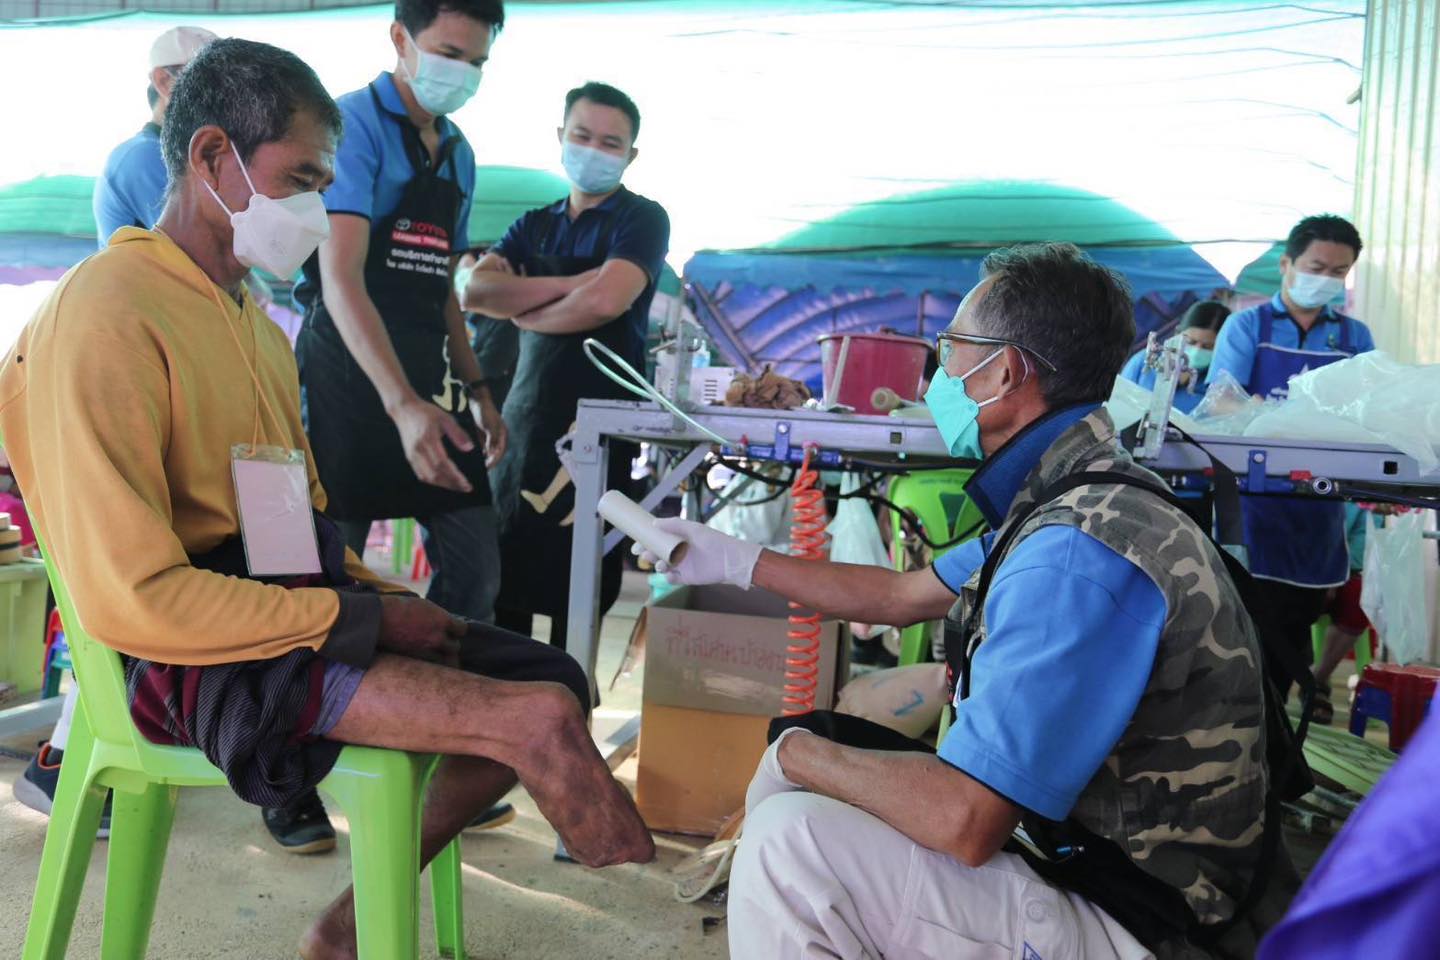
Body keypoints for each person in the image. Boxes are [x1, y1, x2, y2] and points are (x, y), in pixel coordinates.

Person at [0, 38, 652, 960]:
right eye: (300, 180)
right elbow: (133, 599)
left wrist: (377, 599)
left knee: (553, 679)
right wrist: (359, 621)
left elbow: (294, 526)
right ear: (214, 156)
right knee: (533, 720)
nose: (315, 208)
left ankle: (343, 930)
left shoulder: (255, 326)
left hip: (281, 607)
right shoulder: (106, 309)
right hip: (179, 652)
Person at [640, 243, 1297, 959]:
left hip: (1148, 923)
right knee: (838, 791)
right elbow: (901, 595)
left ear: (1004, 371)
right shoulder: (1082, 494)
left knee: (790, 844)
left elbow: (968, 818)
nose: (939, 372)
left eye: (951, 348)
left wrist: (797, 755)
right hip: (1104, 869)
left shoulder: (1074, 552)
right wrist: (737, 560)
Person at [15, 21, 219, 842]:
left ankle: (75, 760)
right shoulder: (147, 160)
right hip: (134, 383)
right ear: (167, 83)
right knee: (131, 592)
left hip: (152, 378)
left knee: (135, 594)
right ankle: (66, 764)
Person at [294, 0, 507, 627]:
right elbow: (341, 278)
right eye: (448, 53)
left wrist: (479, 392)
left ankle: (443, 676)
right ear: (400, 38)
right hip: (348, 375)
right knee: (334, 573)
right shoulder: (350, 126)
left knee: (476, 569)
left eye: (477, 62)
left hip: (429, 375)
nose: (462, 73)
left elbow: (443, 288)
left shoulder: (459, 152)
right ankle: (343, 682)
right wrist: (401, 404)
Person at [458, 81, 669, 649]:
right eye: (582, 135)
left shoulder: (643, 219)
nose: (593, 150)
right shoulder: (534, 223)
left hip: (601, 418)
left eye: (610, 142)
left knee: (581, 578)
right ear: (561, 136)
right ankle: (506, 691)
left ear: (630, 154)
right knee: (508, 568)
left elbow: (607, 302)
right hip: (526, 415)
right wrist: (576, 284)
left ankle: (570, 688)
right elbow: (476, 291)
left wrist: (524, 308)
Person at [1207, 215, 1376, 696]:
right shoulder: (1248, 326)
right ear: (1286, 264)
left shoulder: (1354, 338)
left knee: (1294, 633)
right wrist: (1273, 414)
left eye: (1338, 272)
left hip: (1319, 513)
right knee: (1242, 635)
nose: (1325, 280)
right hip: (1252, 505)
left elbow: (1368, 410)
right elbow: (1220, 401)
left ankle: (1281, 730)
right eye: (1316, 268)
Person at [93, 25, 218, 244]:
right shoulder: (144, 156)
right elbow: (201, 245)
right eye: (209, 79)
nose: (224, 92)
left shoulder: (186, 152)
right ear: (164, 81)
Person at [1310, 502, 1372, 724]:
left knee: (1360, 602)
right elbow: (1330, 532)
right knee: (1302, 601)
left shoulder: (1375, 499)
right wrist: (1330, 576)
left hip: (1351, 570)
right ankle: (1309, 681)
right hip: (1316, 564)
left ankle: (1317, 680)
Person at [1119, 299, 1231, 413]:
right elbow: (1117, 400)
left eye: (1208, 346)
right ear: (1177, 332)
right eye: (1191, 342)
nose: (1197, 350)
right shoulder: (1145, 361)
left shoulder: (1217, 386)